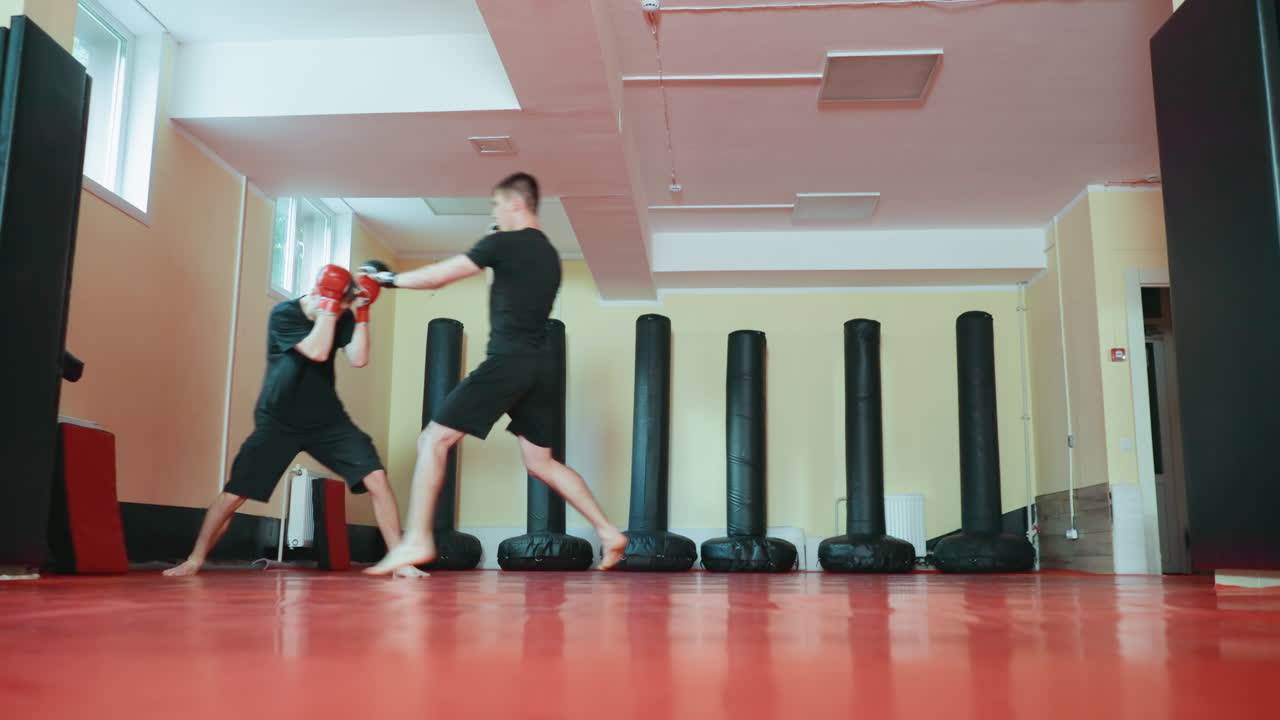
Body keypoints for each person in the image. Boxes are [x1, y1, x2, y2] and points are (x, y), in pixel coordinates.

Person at [361, 172, 628, 576]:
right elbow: (511, 294)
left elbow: (438, 276)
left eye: (497, 206)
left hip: (508, 361)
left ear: (516, 203)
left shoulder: (502, 243)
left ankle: (418, 539)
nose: (494, 214)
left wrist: (389, 279)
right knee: (541, 462)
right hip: (542, 366)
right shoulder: (548, 255)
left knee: (433, 439)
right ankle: (608, 531)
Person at [164, 264, 425, 578]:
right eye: (337, 305)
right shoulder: (284, 314)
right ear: (316, 292)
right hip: (279, 419)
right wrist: (330, 305)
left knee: (377, 478)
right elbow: (317, 351)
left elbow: (359, 358)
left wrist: (362, 311)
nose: (339, 313)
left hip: (328, 421)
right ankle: (194, 559)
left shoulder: (343, 315)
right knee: (235, 494)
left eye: (343, 307)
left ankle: (399, 561)